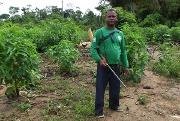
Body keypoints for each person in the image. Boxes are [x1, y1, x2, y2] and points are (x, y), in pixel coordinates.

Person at [90, 8, 129, 118]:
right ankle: (98, 111)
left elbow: (123, 51)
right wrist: (99, 59)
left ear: (116, 19)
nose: (111, 18)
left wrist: (126, 66)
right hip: (103, 66)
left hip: (116, 66)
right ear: (105, 18)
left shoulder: (120, 34)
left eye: (113, 16)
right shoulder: (99, 32)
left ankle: (114, 105)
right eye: (109, 16)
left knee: (116, 87)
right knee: (100, 88)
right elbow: (93, 49)